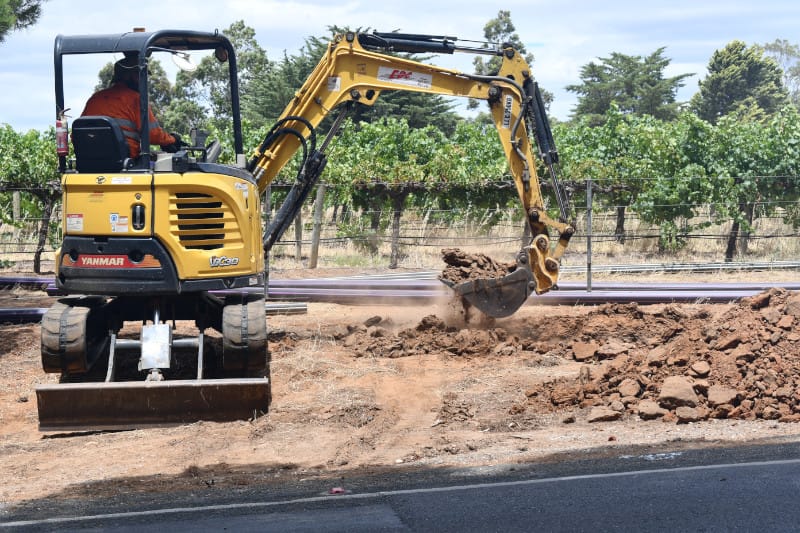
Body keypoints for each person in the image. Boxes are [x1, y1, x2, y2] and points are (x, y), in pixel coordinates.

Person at [80, 55, 184, 158]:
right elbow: (152, 135)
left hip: (90, 161)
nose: (143, 80)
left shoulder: (94, 99)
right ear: (129, 76)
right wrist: (173, 139)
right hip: (124, 160)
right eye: (140, 75)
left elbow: (78, 133)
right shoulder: (136, 99)